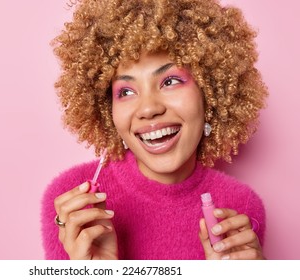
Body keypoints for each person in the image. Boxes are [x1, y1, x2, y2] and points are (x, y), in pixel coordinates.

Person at [41, 0, 268, 260]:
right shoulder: (74, 206)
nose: (148, 109)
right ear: (107, 110)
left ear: (211, 93)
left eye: (170, 81)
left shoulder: (242, 207)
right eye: (126, 91)